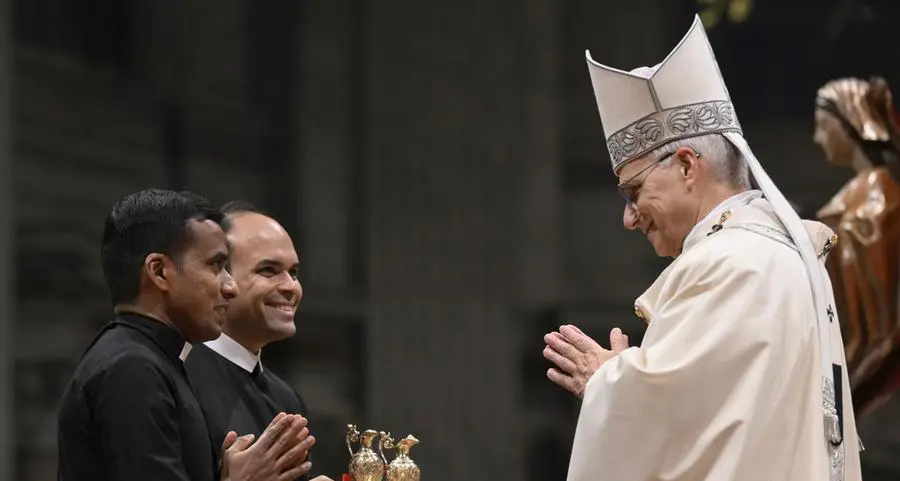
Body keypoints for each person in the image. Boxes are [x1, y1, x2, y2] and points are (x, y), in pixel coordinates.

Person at [542, 16, 862, 481]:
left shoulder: (726, 263)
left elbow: (677, 431)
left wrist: (609, 385)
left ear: (687, 166)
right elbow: (730, 425)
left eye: (634, 192)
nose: (629, 218)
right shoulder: (786, 256)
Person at [57, 189, 315, 481]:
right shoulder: (132, 367)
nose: (229, 287)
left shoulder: (153, 361)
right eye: (216, 266)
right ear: (159, 271)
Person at [185, 200, 331, 481]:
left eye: (294, 272)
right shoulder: (177, 377)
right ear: (221, 278)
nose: (290, 286)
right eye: (268, 270)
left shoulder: (285, 397)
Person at [814, 76, 900, 417]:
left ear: (851, 123)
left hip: (861, 376)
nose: (817, 137)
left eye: (824, 126)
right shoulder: (858, 201)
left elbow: (878, 332)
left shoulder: (874, 210)